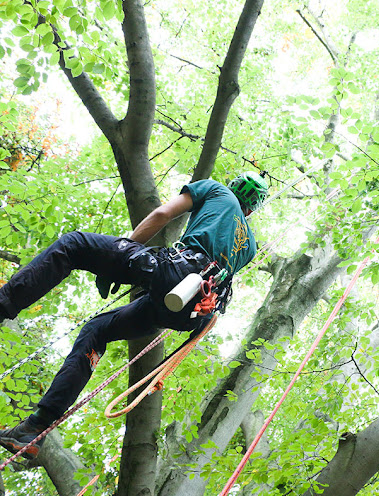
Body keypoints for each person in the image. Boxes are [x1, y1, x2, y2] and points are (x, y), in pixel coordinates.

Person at [0, 171, 268, 460]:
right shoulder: (250, 246)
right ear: (251, 209)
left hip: (175, 274)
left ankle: (3, 304)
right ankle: (35, 428)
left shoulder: (215, 190)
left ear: (234, 187)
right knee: (98, 330)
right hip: (190, 312)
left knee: (74, 245)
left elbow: (163, 214)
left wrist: (120, 254)